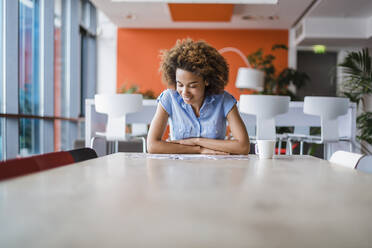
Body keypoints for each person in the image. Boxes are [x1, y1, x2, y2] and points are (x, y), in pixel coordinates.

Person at [147, 39, 250, 155]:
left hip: (216, 169)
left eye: (192, 86)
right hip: (178, 169)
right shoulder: (169, 98)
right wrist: (199, 150)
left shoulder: (224, 100)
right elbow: (152, 146)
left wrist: (197, 141)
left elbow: (243, 147)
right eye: (179, 84)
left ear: (206, 81)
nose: (184, 92)